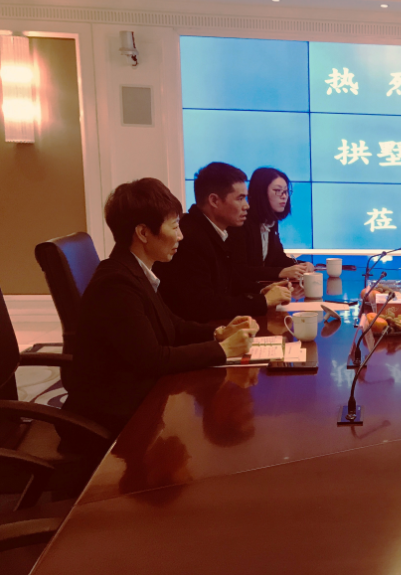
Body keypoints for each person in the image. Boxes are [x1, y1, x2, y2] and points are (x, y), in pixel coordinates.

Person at [65, 178, 258, 440]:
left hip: (138, 399)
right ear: (143, 233)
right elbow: (153, 360)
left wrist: (219, 333)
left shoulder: (135, 271)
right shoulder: (116, 284)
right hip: (111, 417)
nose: (180, 236)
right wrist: (224, 350)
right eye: (175, 226)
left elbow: (173, 325)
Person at [156, 162, 292, 322]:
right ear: (214, 201)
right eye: (240, 198)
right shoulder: (190, 238)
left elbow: (230, 279)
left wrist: (262, 290)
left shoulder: (213, 232)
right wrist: (263, 301)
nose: (246, 206)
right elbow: (204, 305)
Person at [232, 167, 313, 282]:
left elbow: (277, 258)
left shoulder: (271, 222)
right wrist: (280, 272)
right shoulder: (241, 222)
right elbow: (239, 270)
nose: (284, 196)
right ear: (260, 193)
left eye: (286, 191)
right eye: (277, 190)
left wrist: (302, 265)